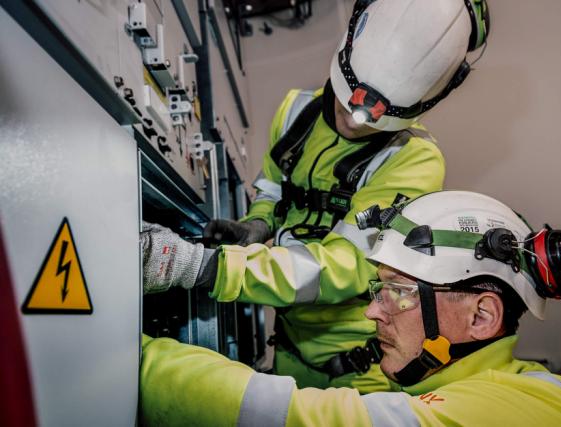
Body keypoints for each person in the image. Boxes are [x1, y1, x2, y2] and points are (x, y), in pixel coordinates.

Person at [142, 0, 491, 392]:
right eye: (347, 96)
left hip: (355, 369)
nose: (354, 118)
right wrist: (259, 222)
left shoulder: (414, 161)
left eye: (376, 116)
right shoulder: (296, 110)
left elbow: (341, 267)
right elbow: (274, 184)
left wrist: (208, 267)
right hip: (289, 345)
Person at [139, 191, 561, 426]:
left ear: (481, 317)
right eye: (380, 288)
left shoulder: (493, 414)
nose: (372, 313)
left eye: (400, 292)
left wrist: (131, 357)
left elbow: (294, 418)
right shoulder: (518, 386)